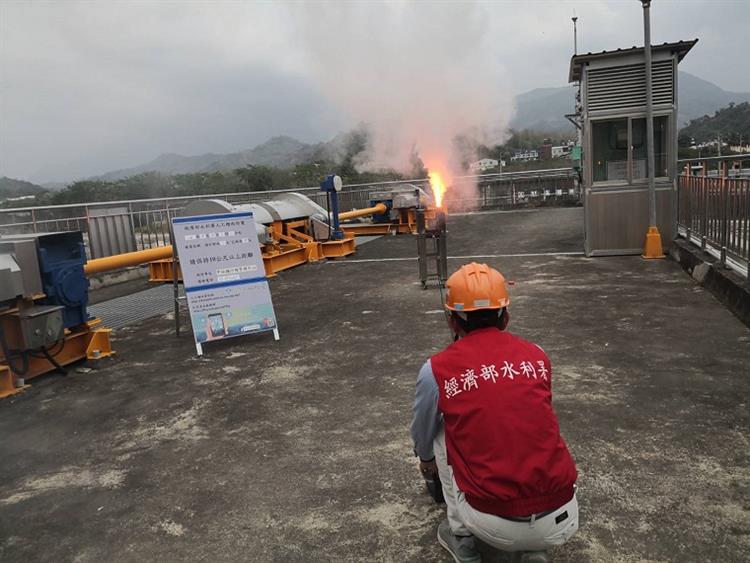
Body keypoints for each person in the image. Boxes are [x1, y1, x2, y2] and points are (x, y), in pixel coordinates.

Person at [410, 263, 579, 563]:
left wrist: (426, 461)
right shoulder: (537, 355)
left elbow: (422, 431)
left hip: (493, 523)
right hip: (563, 513)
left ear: (452, 322)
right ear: (506, 316)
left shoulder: (435, 370)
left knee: (438, 430)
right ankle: (534, 548)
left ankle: (462, 538)